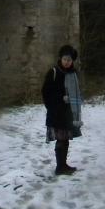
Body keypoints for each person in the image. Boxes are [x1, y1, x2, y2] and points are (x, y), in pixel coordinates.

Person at [41, 44, 83, 176]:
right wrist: (59, 99)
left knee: (65, 140)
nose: (66, 62)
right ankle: (60, 167)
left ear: (72, 61)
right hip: (57, 113)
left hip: (69, 113)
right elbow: (45, 92)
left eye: (69, 60)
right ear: (61, 58)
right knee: (61, 139)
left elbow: (76, 92)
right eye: (65, 59)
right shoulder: (54, 71)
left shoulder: (73, 73)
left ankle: (63, 164)